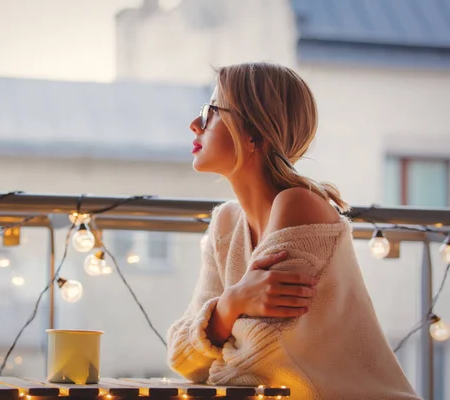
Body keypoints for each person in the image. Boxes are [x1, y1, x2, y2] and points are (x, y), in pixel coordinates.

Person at [167, 62, 420, 399]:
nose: (195, 124)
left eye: (211, 111)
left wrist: (215, 328)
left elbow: (258, 362)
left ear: (254, 132)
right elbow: (182, 359)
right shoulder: (226, 223)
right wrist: (232, 303)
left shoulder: (299, 205)